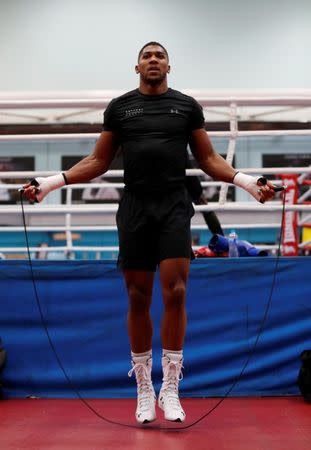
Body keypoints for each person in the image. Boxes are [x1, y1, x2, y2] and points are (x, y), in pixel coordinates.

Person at [22, 42, 276, 424]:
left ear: (169, 65)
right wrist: (49, 182)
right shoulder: (120, 108)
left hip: (173, 206)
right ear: (136, 66)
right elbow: (98, 160)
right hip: (136, 208)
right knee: (138, 296)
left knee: (176, 291)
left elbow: (207, 159)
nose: (153, 60)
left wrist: (249, 182)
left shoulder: (187, 106)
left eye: (159, 55)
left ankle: (171, 388)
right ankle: (143, 388)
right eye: (147, 56)